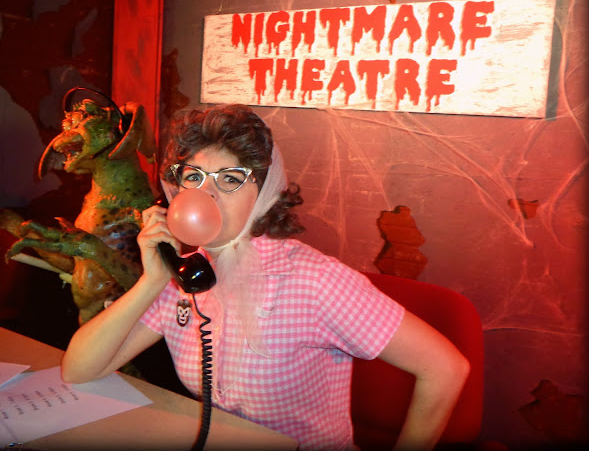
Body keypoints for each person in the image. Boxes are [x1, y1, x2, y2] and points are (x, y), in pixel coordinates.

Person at [61, 104, 470, 451]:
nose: (206, 194)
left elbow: (445, 368)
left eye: (230, 179)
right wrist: (151, 281)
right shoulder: (185, 277)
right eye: (194, 177)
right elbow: (79, 369)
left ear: (264, 192)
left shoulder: (315, 282)